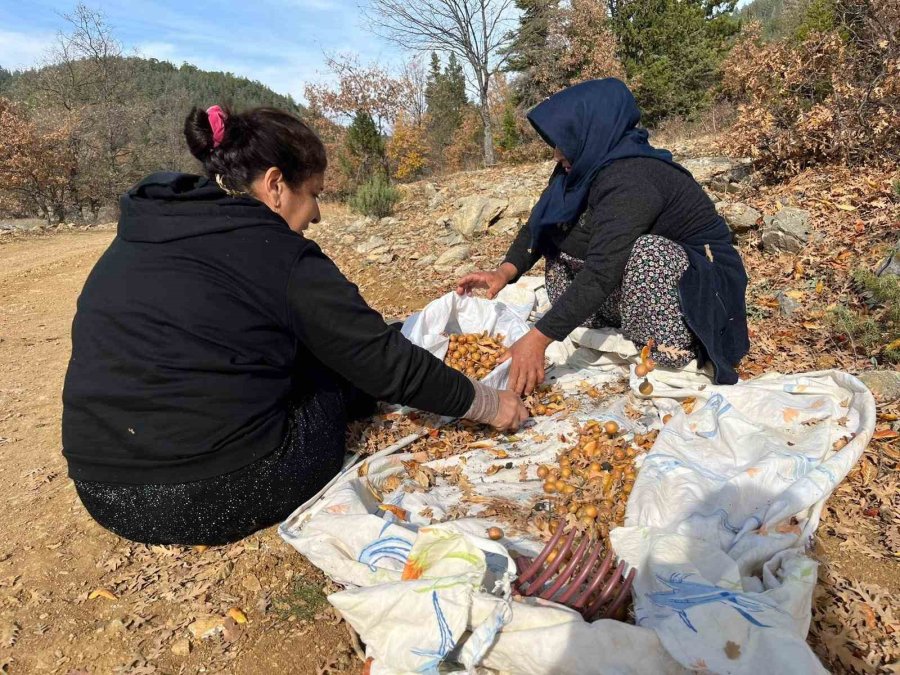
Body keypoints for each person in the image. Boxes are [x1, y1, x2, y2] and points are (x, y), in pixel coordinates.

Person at [62, 105, 528, 546]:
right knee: (333, 374)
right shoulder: (276, 252)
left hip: (102, 491)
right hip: (206, 493)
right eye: (316, 195)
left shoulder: (147, 231)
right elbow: (383, 365)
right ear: (275, 185)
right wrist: (489, 404)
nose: (318, 215)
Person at [458, 79, 749, 394]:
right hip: (644, 289)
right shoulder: (580, 166)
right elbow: (539, 225)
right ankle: (610, 327)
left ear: (592, 130)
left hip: (701, 295)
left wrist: (538, 339)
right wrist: (504, 272)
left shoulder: (633, 176)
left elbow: (603, 269)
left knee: (647, 253)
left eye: (563, 142)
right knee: (559, 249)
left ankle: (673, 349)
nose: (556, 154)